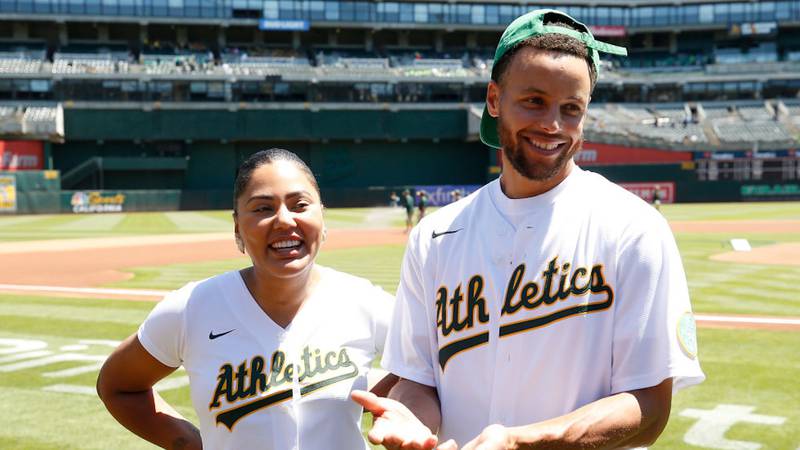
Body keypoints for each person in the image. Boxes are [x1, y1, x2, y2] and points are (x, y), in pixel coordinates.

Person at [352, 9, 704, 450]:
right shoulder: (435, 236)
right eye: (534, 101)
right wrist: (413, 423)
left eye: (571, 108)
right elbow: (418, 380)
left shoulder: (634, 229)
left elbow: (649, 407)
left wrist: (520, 441)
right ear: (494, 100)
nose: (552, 125)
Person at [97, 148, 395, 450]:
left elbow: (428, 374)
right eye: (263, 208)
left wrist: (404, 408)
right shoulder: (191, 308)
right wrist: (184, 441)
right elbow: (119, 386)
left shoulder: (364, 302)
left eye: (300, 205)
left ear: (322, 216)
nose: (284, 220)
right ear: (237, 227)